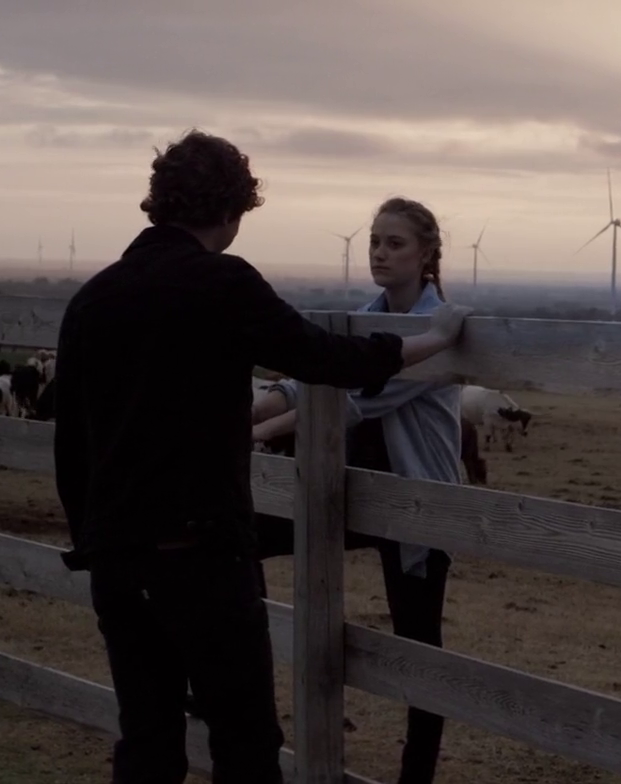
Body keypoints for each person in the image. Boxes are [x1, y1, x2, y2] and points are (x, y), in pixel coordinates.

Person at [51, 129, 471, 784]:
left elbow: (71, 444)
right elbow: (325, 360)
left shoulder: (91, 300)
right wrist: (432, 339)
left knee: (147, 739)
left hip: (116, 561)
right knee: (244, 742)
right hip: (202, 556)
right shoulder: (222, 283)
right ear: (232, 211)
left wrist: (93, 541)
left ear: (158, 202)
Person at [247, 197, 463, 784]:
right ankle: (237, 705)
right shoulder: (363, 319)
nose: (379, 253)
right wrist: (251, 413)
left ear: (427, 255)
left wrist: (263, 428)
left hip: (420, 501)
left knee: (419, 649)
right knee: (239, 538)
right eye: (374, 241)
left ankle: (414, 777)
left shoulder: (436, 333)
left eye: (395, 243)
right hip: (357, 491)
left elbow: (356, 395)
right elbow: (311, 375)